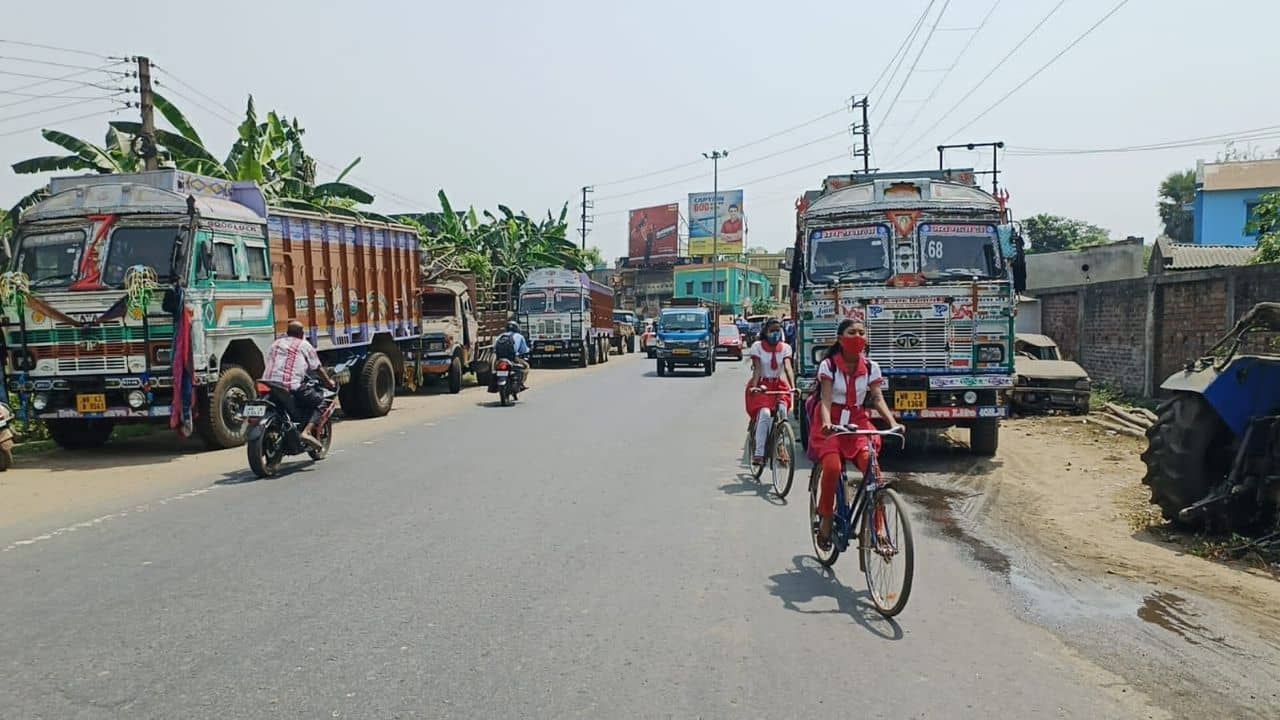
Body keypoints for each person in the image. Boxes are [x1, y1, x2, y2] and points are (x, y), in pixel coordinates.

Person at [808, 318, 902, 549]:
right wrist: (827, 422)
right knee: (832, 468)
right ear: (840, 339)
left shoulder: (871, 367)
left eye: (862, 332)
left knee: (873, 471)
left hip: (858, 421)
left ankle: (877, 529)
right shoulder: (828, 365)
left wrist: (893, 422)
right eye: (852, 332)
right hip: (832, 423)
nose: (858, 336)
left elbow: (877, 398)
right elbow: (826, 399)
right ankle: (826, 518)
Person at [263, 320, 333, 449]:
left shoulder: (276, 343)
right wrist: (329, 382)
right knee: (322, 402)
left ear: (287, 333)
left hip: (268, 383)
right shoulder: (304, 345)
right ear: (301, 334)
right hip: (290, 385)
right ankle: (306, 432)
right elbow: (317, 367)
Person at [745, 318, 795, 467]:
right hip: (761, 385)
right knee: (765, 414)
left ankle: (781, 446)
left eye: (777, 330)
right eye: (772, 330)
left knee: (782, 412)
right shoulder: (757, 346)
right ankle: (759, 453)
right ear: (766, 332)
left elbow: (788, 367)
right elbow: (757, 369)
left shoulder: (785, 348)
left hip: (778, 385)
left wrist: (792, 387)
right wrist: (754, 387)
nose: (775, 333)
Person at [495, 321, 531, 390]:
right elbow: (524, 350)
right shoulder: (519, 336)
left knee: (494, 370)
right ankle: (521, 384)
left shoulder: (500, 336)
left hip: (499, 358)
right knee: (526, 366)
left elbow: (494, 348)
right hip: (513, 358)